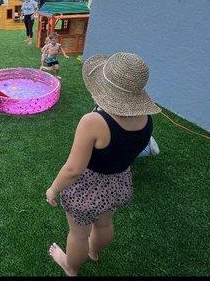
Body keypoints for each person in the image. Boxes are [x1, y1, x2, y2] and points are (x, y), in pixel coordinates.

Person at [45, 52, 161, 276]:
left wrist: (53, 189)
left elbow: (73, 169)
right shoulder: (146, 119)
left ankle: (71, 267)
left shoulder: (93, 122)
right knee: (105, 224)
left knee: (78, 234)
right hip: (118, 184)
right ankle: (94, 252)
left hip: (86, 190)